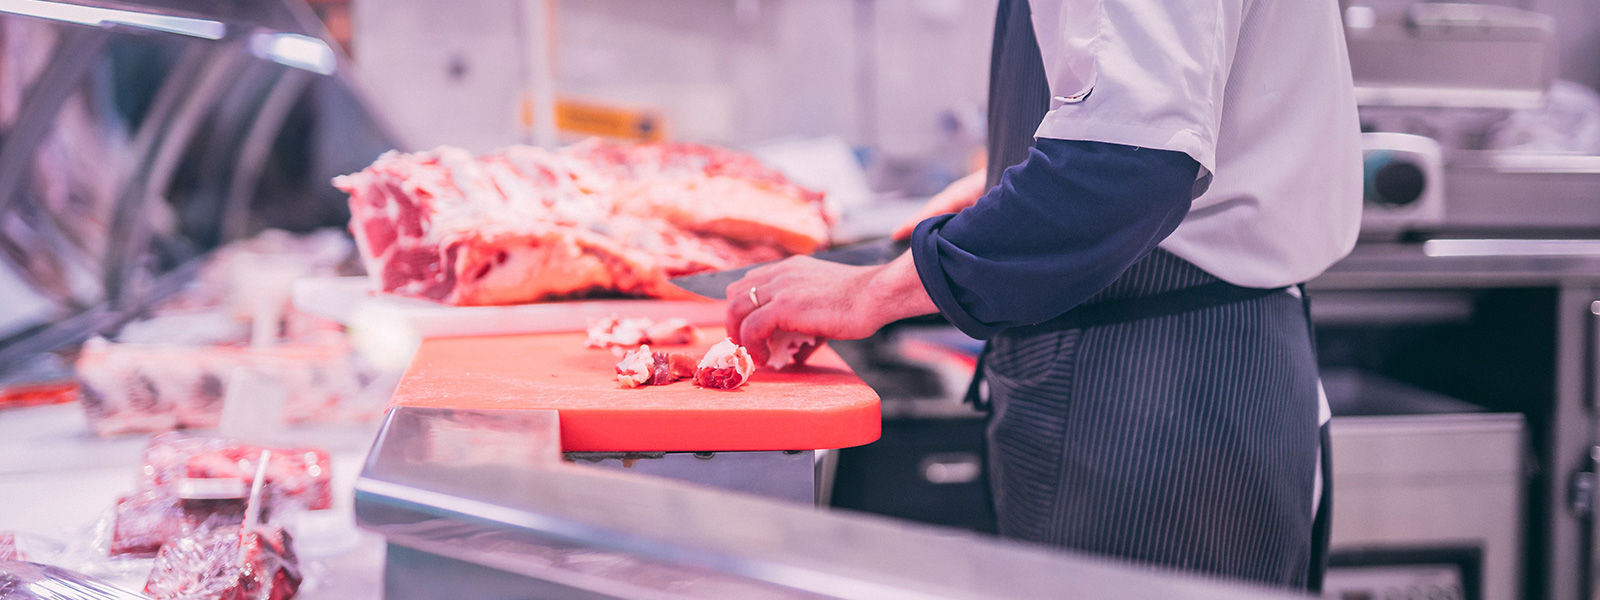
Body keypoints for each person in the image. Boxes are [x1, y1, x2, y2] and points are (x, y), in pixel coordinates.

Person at [724, 0, 1359, 591]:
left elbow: (1121, 167)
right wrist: (1010, 186)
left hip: (1155, 389)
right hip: (1185, 358)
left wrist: (869, 291)